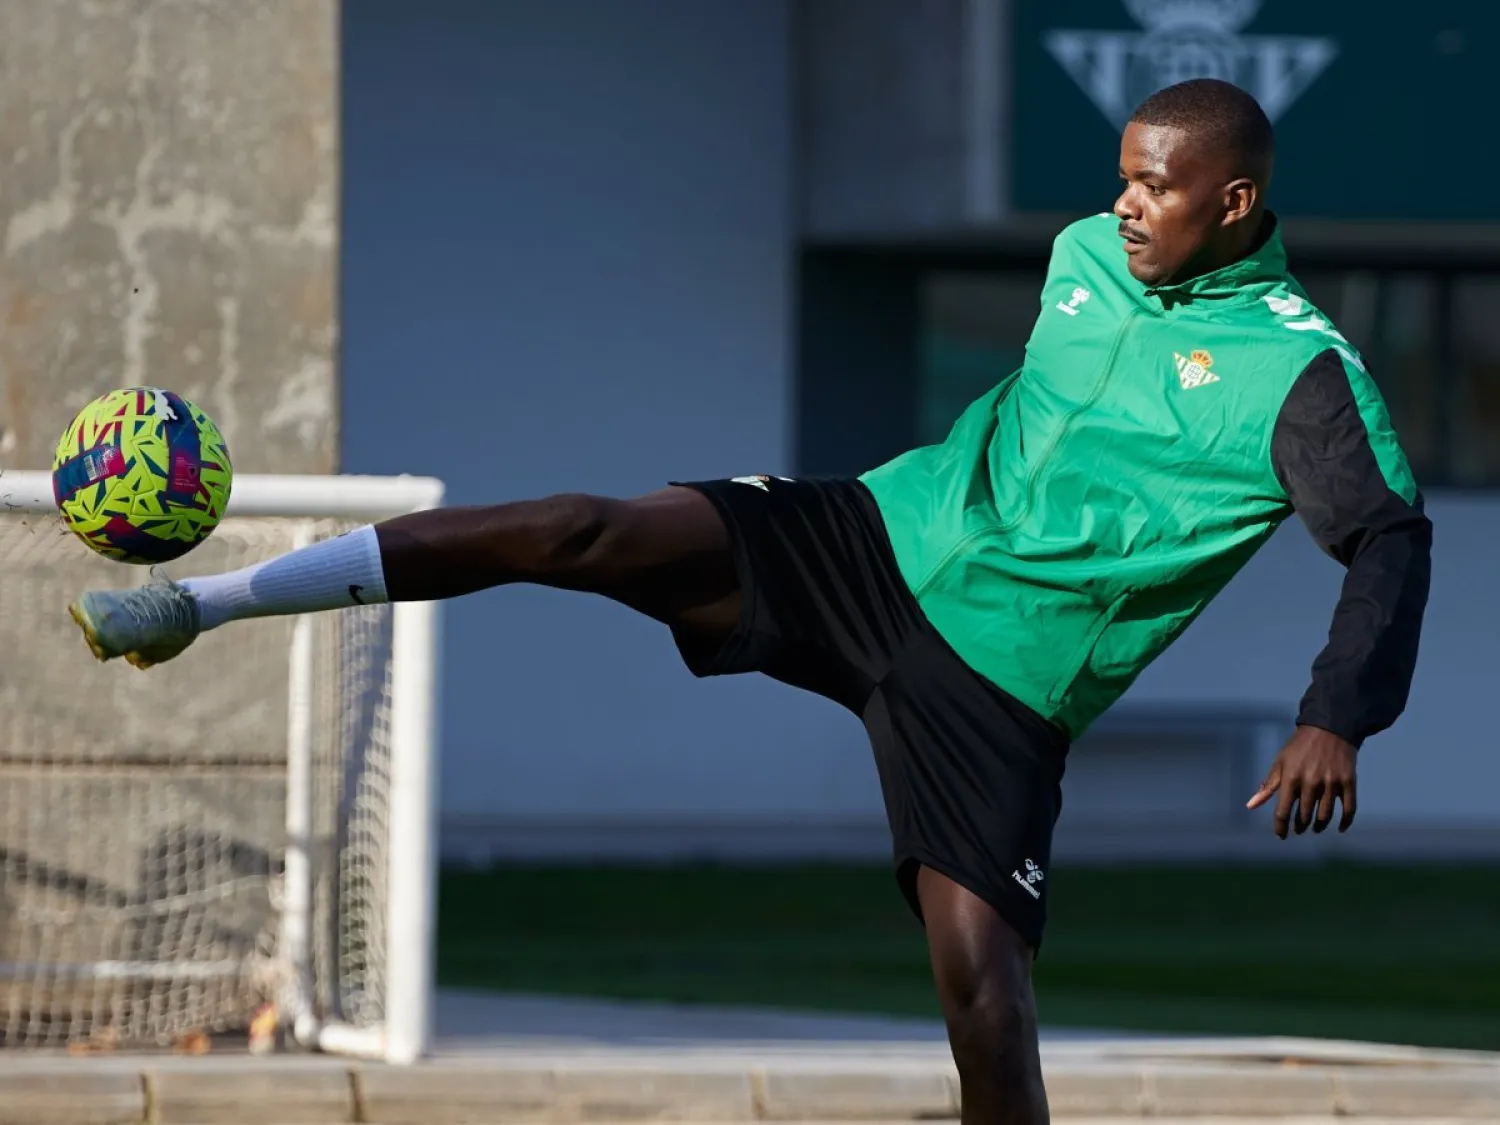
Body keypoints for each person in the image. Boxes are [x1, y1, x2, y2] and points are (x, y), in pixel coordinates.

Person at [67, 78, 1431, 1125]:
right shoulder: (1085, 252)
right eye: (1122, 180)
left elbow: (1387, 537)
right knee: (579, 528)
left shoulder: (1302, 377)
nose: (1123, 206)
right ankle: (204, 603)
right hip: (874, 536)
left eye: (1154, 189)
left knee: (981, 996)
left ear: (1234, 206)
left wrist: (1337, 716)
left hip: (1002, 682)